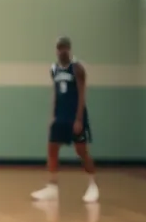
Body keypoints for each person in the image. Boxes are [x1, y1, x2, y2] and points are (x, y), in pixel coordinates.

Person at [31, 37, 99, 204]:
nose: (62, 51)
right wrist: (52, 116)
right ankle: (52, 187)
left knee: (81, 151)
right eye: (59, 48)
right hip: (60, 116)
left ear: (69, 49)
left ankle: (92, 185)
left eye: (65, 48)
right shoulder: (54, 69)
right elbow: (55, 93)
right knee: (52, 149)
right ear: (56, 50)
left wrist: (79, 119)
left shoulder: (77, 68)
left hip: (74, 116)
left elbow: (82, 94)